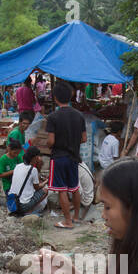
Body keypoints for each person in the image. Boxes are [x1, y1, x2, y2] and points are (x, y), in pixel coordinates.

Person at [41, 81, 86, 230]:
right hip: (74, 156)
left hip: (59, 157)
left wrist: (47, 145)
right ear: (70, 96)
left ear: (55, 98)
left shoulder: (53, 117)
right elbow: (84, 138)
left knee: (61, 190)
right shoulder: (79, 116)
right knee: (74, 188)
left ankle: (67, 221)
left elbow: (51, 141)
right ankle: (76, 217)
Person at [8, 146, 48, 215]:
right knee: (45, 190)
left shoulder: (17, 166)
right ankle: (30, 211)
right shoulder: (33, 169)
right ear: (35, 158)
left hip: (12, 203)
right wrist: (46, 181)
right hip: (23, 206)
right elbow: (37, 187)